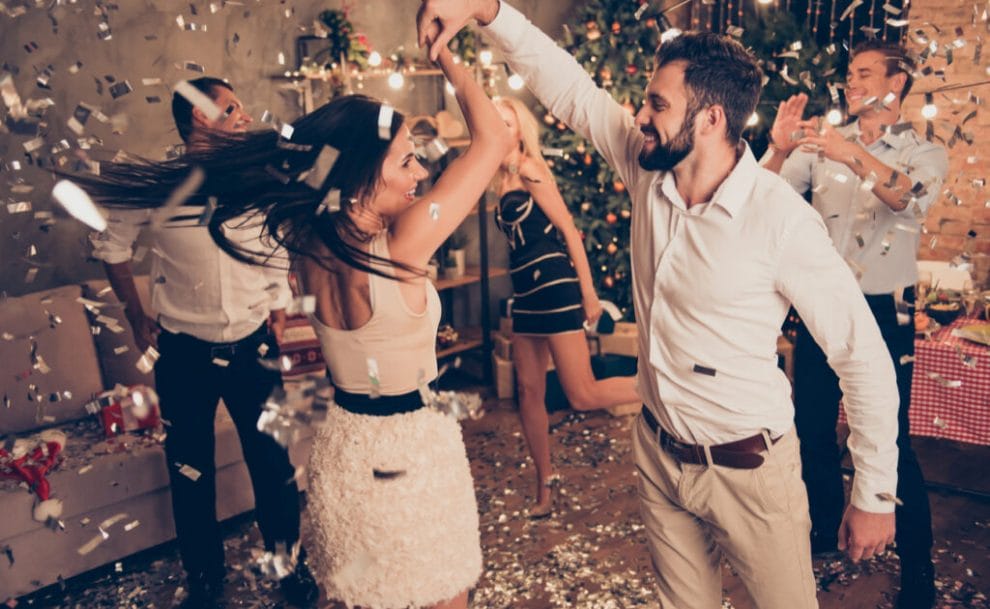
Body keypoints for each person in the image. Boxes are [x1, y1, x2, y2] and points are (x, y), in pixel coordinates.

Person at [416, 2, 900, 607]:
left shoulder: (781, 221)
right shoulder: (649, 169)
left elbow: (862, 355)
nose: (639, 116)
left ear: (710, 119)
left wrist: (875, 493)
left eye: (657, 105)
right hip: (658, 455)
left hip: (751, 473)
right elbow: (570, 88)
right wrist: (489, 10)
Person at [75, 39, 511, 608]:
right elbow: (494, 141)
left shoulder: (301, 237)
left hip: (343, 451)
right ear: (359, 174)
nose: (421, 172)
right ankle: (207, 581)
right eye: (406, 159)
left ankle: (270, 570)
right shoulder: (399, 247)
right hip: (408, 455)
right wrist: (449, 51)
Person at [89, 77, 318, 608]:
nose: (243, 117)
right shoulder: (159, 184)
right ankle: (205, 578)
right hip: (183, 354)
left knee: (275, 468)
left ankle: (288, 568)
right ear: (198, 116)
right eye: (231, 108)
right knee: (190, 471)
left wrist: (279, 311)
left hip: (253, 346)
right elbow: (111, 243)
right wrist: (133, 313)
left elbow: (274, 247)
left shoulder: (255, 179)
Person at [763, 40, 948, 609]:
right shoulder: (818, 143)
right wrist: (776, 149)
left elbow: (906, 198)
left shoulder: (924, 152)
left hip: (883, 311)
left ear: (898, 84)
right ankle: (822, 535)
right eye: (848, 72)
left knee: (891, 441)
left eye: (865, 73)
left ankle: (918, 571)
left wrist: (849, 154)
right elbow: (762, 196)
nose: (850, 81)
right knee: (812, 432)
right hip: (818, 307)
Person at [491, 96, 640, 518]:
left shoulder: (531, 170)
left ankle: (660, 391)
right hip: (525, 295)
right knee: (528, 392)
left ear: (520, 130)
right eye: (494, 122)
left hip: (555, 287)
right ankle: (545, 484)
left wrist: (589, 293)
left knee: (582, 392)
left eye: (508, 122)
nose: (501, 129)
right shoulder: (498, 178)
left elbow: (570, 231)